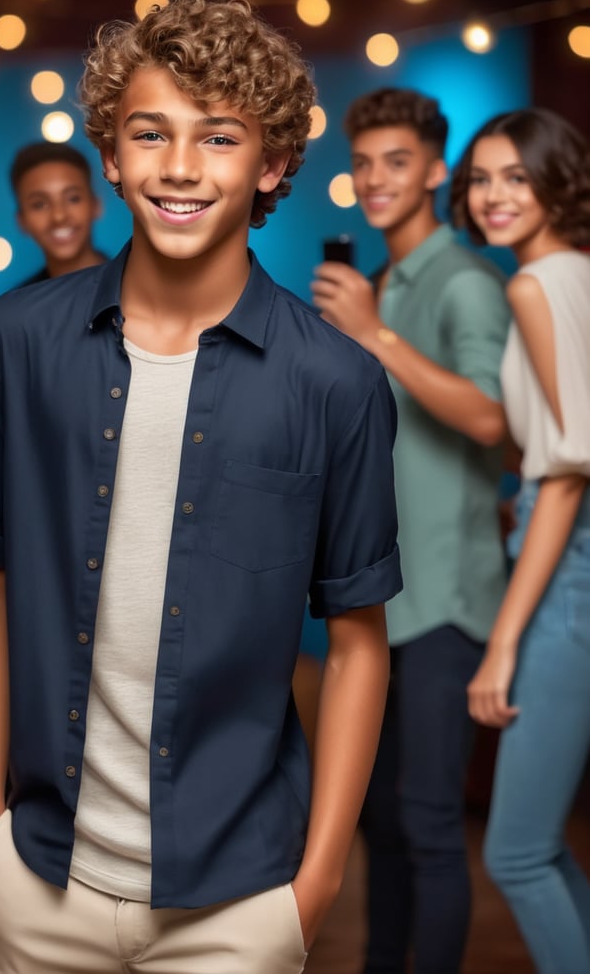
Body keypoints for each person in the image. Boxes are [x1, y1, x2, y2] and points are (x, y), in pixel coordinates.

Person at [0, 0, 403, 974]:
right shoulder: (15, 341)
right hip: (39, 872)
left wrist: (316, 881)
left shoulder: (339, 381)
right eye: (149, 133)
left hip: (242, 895)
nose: (182, 167)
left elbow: (360, 637)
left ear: (273, 162)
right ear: (110, 153)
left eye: (221, 136)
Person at [310, 87, 511, 974]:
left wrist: (372, 334)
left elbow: (491, 422)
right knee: (379, 818)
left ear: (435, 172)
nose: (374, 179)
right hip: (380, 596)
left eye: (396, 161)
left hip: (444, 599)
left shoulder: (464, 281)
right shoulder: (386, 280)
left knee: (427, 821)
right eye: (361, 164)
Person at [452, 107, 590, 974]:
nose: (494, 196)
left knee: (514, 852)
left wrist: (500, 645)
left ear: (556, 181)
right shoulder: (575, 272)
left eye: (514, 176)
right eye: (480, 178)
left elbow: (570, 470)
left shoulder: (534, 285)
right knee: (540, 848)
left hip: (569, 570)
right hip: (565, 554)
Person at [9, 141, 107, 286]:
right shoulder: (16, 306)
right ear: (21, 221)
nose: (58, 216)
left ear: (95, 205)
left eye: (73, 199)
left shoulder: (137, 283)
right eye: (39, 205)